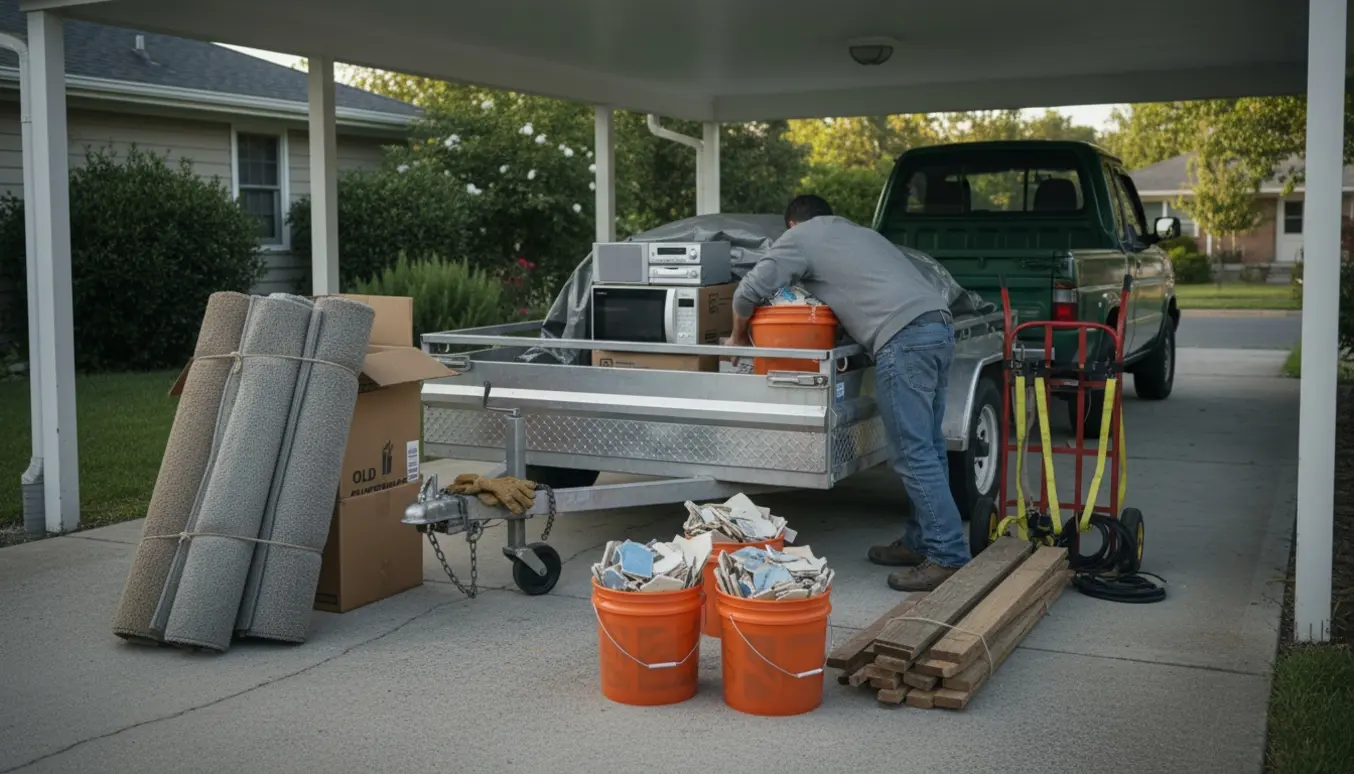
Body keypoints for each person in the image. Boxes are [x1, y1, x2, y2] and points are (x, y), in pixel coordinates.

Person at [728, 194, 971, 591]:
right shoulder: (859, 233)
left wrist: (737, 338)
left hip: (904, 340)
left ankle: (947, 556)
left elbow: (748, 291)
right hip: (937, 328)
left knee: (913, 453)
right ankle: (922, 541)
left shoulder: (800, 237)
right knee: (929, 446)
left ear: (793, 224)